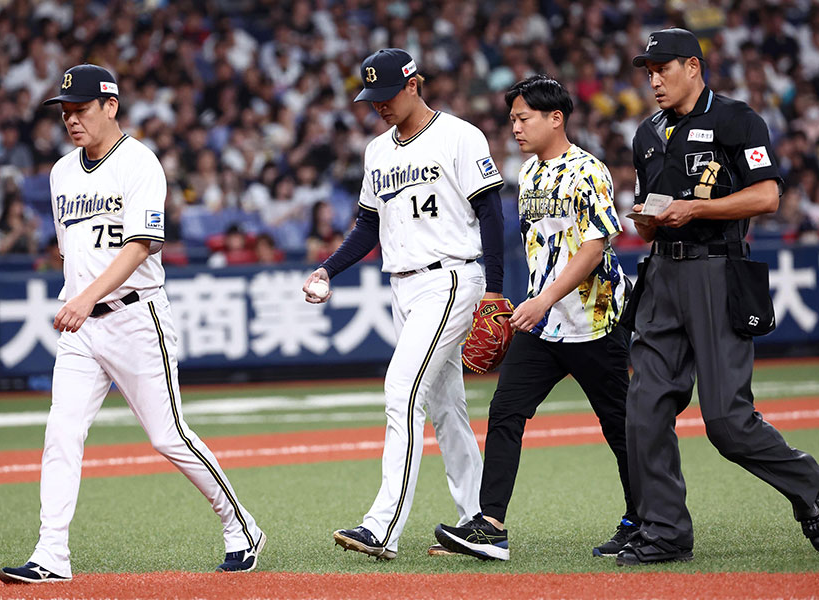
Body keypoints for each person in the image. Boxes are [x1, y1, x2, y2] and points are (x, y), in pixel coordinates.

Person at [0, 64, 265, 584]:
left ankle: (240, 525)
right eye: (65, 112)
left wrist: (86, 298)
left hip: (135, 316)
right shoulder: (60, 173)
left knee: (169, 437)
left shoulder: (139, 162)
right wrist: (81, 300)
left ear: (111, 106)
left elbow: (140, 245)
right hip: (82, 330)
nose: (71, 120)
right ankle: (51, 554)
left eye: (81, 109)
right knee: (61, 432)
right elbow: (67, 248)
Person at [618, 28, 819, 566]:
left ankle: (813, 491)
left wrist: (697, 211)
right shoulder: (647, 134)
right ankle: (664, 532)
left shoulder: (736, 119)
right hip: (661, 272)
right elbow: (656, 209)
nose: (653, 80)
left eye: (662, 69)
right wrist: (648, 222)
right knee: (644, 409)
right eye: (647, 72)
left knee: (728, 421)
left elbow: (768, 195)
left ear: (693, 66)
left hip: (716, 271)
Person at [302, 48, 506, 559]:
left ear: (414, 84)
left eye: (387, 95)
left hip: (451, 278)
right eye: (371, 98)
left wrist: (497, 290)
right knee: (446, 406)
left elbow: (491, 212)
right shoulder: (377, 151)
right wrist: (329, 267)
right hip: (403, 286)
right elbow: (368, 226)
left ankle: (383, 526)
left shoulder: (459, 135)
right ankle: (480, 523)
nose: (379, 106)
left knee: (401, 390)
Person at [433, 75, 637, 561]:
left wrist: (544, 299)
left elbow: (594, 246)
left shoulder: (588, 170)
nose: (516, 128)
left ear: (555, 118)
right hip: (542, 326)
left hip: (595, 321)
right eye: (513, 120)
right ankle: (490, 526)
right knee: (505, 413)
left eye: (523, 119)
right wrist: (530, 302)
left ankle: (644, 519)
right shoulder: (527, 175)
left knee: (622, 426)